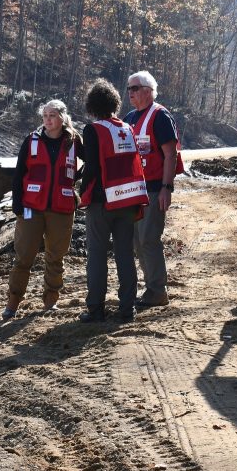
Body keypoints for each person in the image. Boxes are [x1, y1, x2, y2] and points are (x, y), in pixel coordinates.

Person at [2, 99, 82, 320]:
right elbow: (18, 174)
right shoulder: (31, 141)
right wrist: (18, 204)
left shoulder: (74, 140)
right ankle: (12, 303)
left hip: (62, 208)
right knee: (23, 257)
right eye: (45, 115)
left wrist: (79, 181)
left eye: (52, 115)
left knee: (55, 257)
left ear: (62, 117)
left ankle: (50, 302)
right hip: (31, 208)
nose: (47, 120)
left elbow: (93, 161)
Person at [78, 78, 149, 323]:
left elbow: (92, 168)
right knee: (125, 256)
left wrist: (82, 194)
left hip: (102, 202)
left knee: (97, 256)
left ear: (92, 105)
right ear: (115, 103)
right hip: (127, 201)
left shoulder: (93, 130)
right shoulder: (127, 128)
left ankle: (95, 309)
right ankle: (127, 309)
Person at [124, 70, 184, 308]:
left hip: (152, 189)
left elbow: (170, 154)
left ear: (148, 91)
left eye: (134, 88)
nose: (130, 92)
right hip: (133, 192)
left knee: (149, 239)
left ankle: (157, 291)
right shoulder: (129, 118)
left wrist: (166, 188)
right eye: (128, 88)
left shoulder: (160, 116)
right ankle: (151, 288)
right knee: (137, 242)